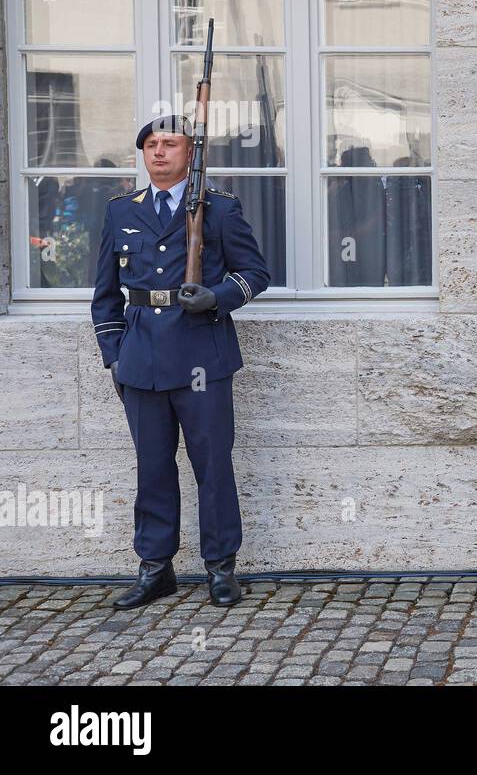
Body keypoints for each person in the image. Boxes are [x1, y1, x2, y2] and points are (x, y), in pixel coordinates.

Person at [91, 115, 269, 609]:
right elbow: (105, 294)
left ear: (190, 153)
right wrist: (115, 356)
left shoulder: (219, 210)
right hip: (141, 360)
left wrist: (213, 297)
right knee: (152, 468)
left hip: (201, 359)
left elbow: (255, 274)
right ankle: (155, 568)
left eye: (170, 144)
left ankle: (220, 567)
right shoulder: (120, 212)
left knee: (212, 466)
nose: (159, 152)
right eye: (150, 145)